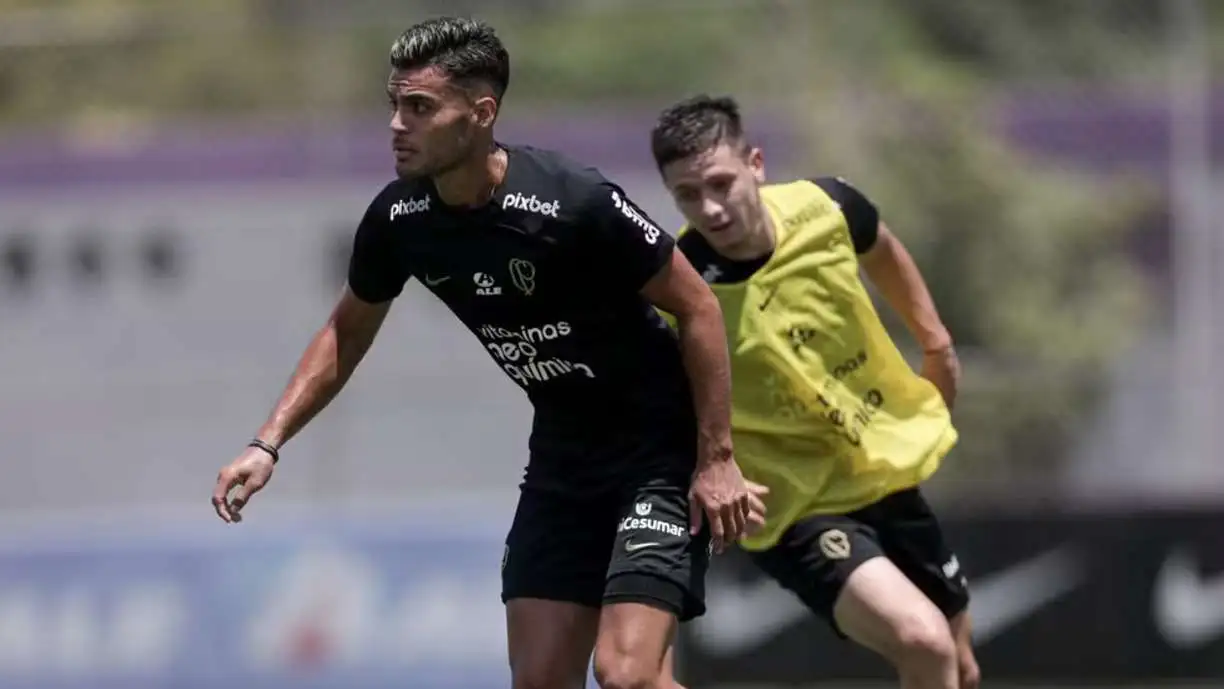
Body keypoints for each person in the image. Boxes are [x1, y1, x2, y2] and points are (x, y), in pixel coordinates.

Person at [210, 20, 762, 689]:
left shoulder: (571, 200)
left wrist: (718, 458)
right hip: (564, 457)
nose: (396, 124)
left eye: (419, 108)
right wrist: (267, 442)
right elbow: (345, 332)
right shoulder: (398, 222)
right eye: (394, 104)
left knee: (625, 675)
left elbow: (697, 305)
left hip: (658, 451)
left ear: (481, 114)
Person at [648, 94, 981, 689]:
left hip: (877, 468)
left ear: (756, 163)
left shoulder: (825, 206)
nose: (711, 208)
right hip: (793, 505)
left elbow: (877, 240)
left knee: (959, 660)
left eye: (721, 183)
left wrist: (936, 341)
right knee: (922, 641)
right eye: (688, 196)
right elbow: (657, 396)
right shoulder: (682, 281)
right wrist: (708, 468)